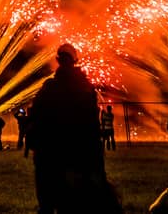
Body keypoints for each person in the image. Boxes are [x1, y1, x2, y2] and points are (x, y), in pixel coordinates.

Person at [27, 43, 107, 214]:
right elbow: (93, 122)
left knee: (47, 200)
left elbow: (36, 116)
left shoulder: (49, 88)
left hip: (51, 152)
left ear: (58, 60)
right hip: (80, 151)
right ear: (75, 60)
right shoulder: (86, 88)